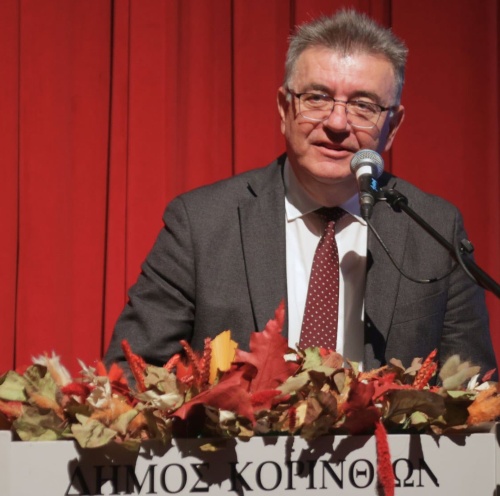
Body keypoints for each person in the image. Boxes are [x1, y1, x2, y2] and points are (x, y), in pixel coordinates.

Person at [104, 10, 497, 378]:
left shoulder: (435, 231)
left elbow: (474, 394)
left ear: (391, 126)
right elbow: (132, 375)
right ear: (283, 107)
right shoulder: (201, 225)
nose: (337, 123)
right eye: (317, 98)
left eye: (363, 105)